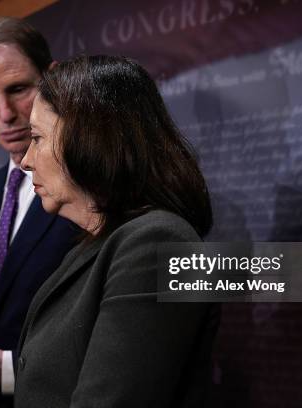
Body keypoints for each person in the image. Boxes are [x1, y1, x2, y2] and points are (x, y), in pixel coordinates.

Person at [16, 55, 220, 407]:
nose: (25, 160)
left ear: (90, 138)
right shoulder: (95, 245)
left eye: (37, 138)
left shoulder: (156, 244)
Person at [0, 17, 77, 406]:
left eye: (17, 89)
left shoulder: (88, 188)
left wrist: (12, 372)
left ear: (52, 77)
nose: (5, 113)